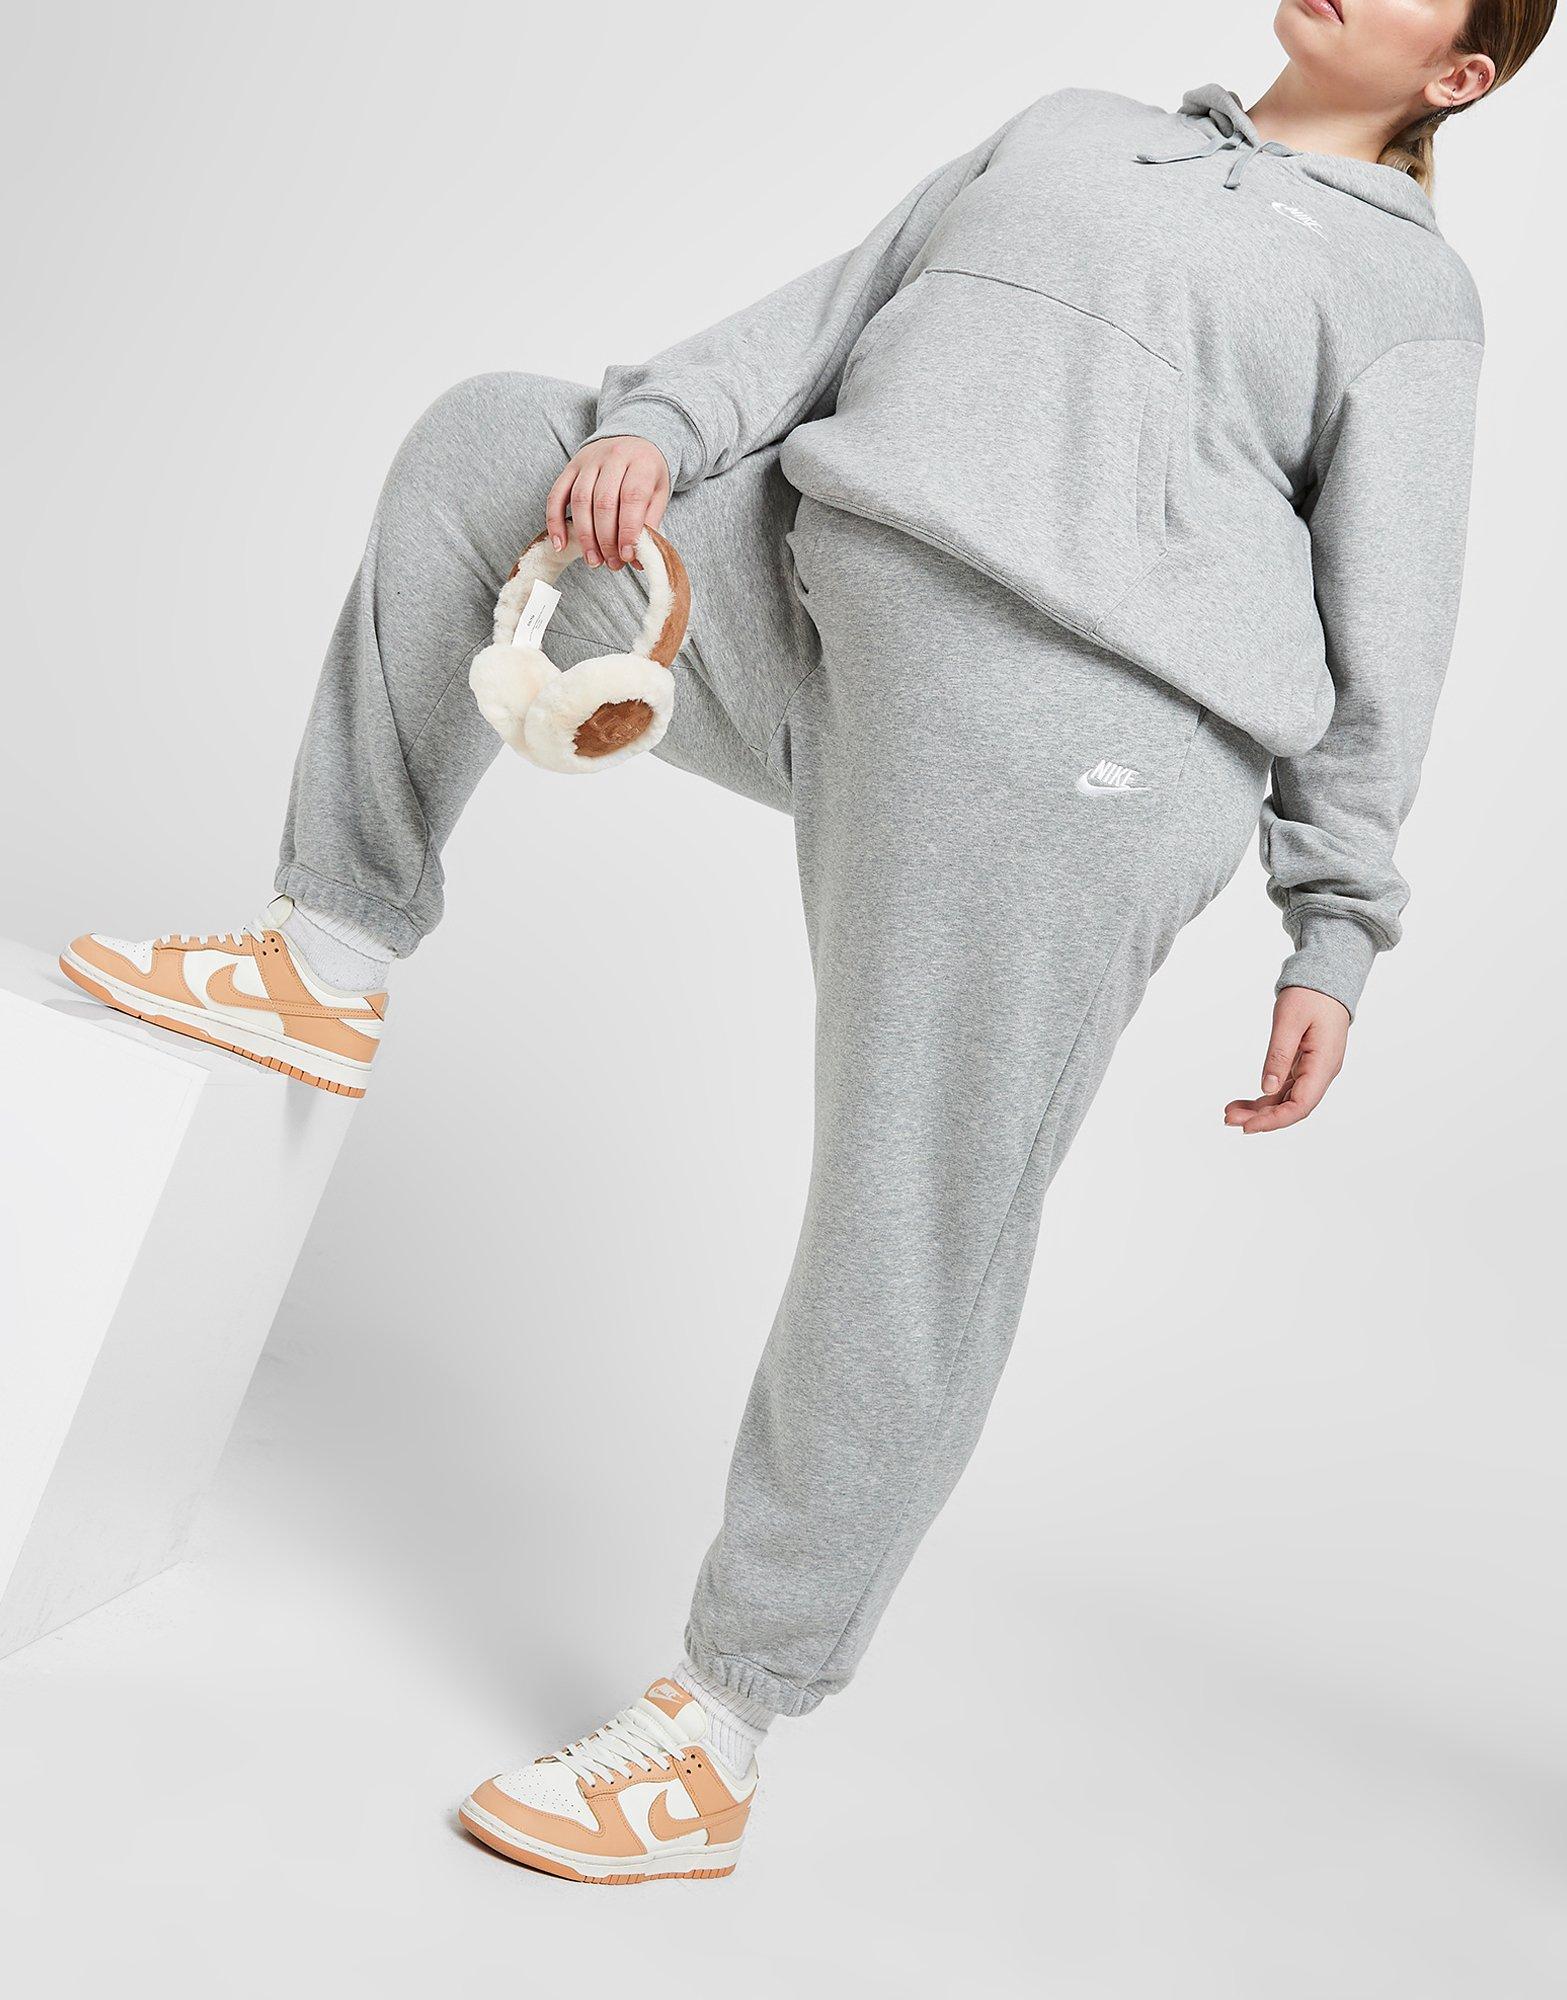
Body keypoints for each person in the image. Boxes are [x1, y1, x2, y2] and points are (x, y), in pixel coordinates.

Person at [60, 0, 1553, 1885]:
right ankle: (327, 958)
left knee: (906, 1220)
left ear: (1456, 77)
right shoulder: (1074, 124)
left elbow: (1394, 613)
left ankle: (716, 1729)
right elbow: (829, 315)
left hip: (1071, 749)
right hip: (799, 614)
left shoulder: (1410, 295)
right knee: (497, 439)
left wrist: (1336, 924)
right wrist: (653, 427)